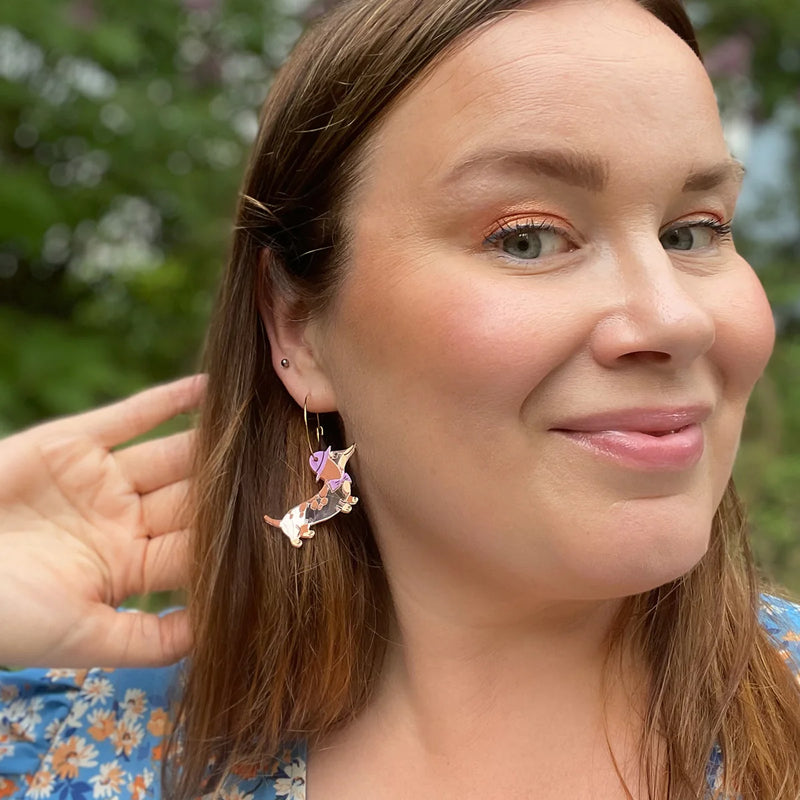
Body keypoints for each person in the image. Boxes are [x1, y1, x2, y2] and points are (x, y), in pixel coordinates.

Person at [3, 0, 800, 797]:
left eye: (693, 231)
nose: (676, 320)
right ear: (298, 327)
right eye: (526, 237)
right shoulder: (68, 751)